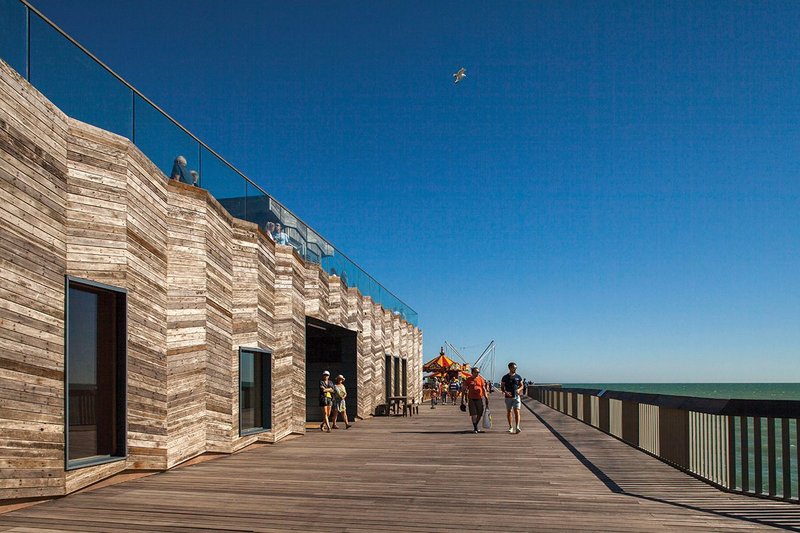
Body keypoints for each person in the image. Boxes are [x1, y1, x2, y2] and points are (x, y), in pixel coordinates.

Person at [460, 367, 489, 433]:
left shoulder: (481, 379)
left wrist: (486, 398)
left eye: (478, 372)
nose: (478, 373)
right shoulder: (468, 379)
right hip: (471, 399)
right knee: (474, 414)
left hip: (479, 398)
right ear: (472, 372)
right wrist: (462, 400)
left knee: (480, 413)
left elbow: (484, 389)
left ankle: (476, 425)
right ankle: (475, 428)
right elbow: (464, 390)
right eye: (476, 372)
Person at [501, 362, 524, 434]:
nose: (515, 369)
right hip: (508, 397)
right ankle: (510, 427)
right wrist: (505, 392)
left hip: (517, 396)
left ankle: (517, 427)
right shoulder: (505, 377)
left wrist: (519, 389)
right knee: (509, 411)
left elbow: (522, 385)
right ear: (510, 368)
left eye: (516, 368)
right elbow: (502, 387)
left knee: (517, 411)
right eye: (514, 368)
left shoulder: (518, 376)